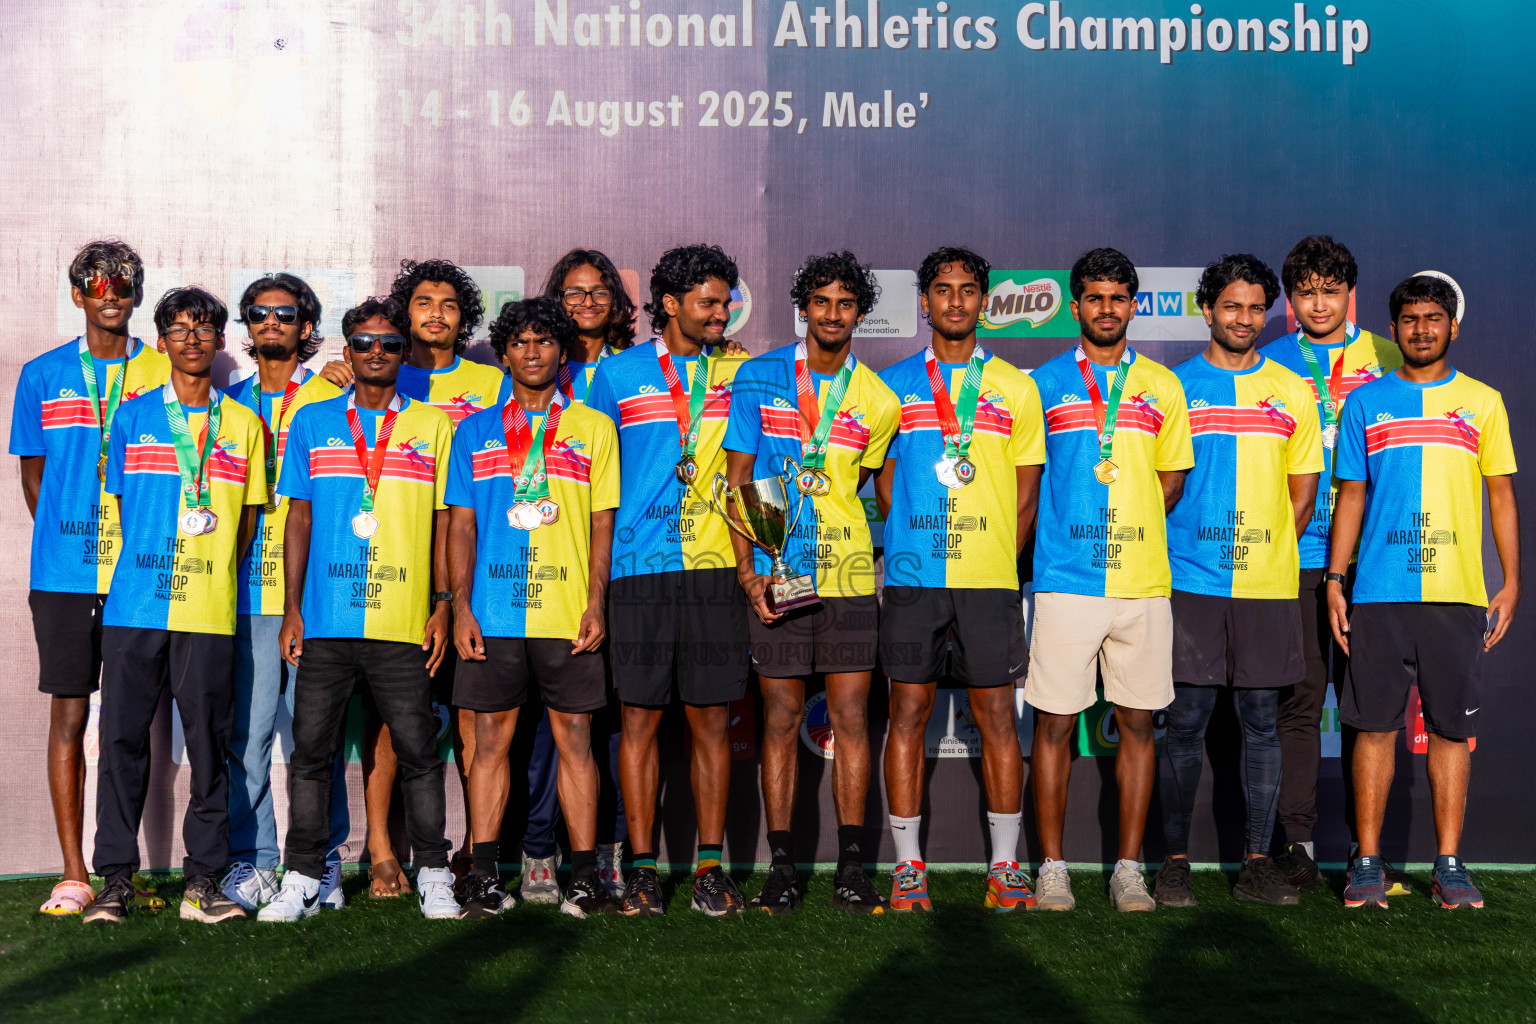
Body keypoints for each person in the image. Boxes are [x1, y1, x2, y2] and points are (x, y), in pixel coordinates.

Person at [259, 297, 460, 922]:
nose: (377, 353)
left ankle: (433, 872)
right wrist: (292, 610)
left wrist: (446, 604)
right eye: (365, 343)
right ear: (346, 352)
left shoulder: (432, 426)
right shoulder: (314, 422)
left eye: (390, 345)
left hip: (403, 621)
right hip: (325, 621)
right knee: (311, 756)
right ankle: (303, 879)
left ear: (405, 355)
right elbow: (299, 517)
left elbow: (446, 522)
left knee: (420, 754)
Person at [1330, 275, 1519, 911]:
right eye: (1409, 319)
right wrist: (1335, 579)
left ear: (1453, 326)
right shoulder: (1364, 402)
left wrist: (1512, 580)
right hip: (1378, 594)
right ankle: (1368, 862)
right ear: (1395, 328)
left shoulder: (1484, 402)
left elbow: (1501, 495)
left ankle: (1449, 863)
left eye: (1433, 318)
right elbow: (1350, 495)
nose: (1421, 329)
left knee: (1448, 732)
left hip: (1457, 594)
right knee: (1374, 730)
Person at [723, 251, 899, 914]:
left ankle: (853, 867)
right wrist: (750, 568)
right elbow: (741, 477)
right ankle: (783, 867)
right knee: (779, 718)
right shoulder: (760, 376)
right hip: (776, 572)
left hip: (849, 574)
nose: (832, 314)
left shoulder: (878, 399)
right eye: (821, 302)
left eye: (845, 304)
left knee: (852, 717)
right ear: (804, 307)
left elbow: (850, 487)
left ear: (859, 313)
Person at [82, 287, 266, 924]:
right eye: (179, 328)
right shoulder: (130, 417)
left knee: (211, 748)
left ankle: (203, 884)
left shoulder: (244, 425)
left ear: (220, 341)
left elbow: (245, 523)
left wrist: (212, 573)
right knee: (123, 743)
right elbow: (124, 506)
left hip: (209, 611)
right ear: (161, 340)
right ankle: (114, 881)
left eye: (205, 328)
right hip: (136, 606)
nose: (192, 338)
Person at [874, 247, 1045, 912]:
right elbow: (884, 482)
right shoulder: (893, 387)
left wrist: (997, 556)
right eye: (941, 290)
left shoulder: (1016, 387)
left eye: (967, 290)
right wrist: (918, 534)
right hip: (916, 578)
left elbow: (1027, 492)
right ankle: (908, 867)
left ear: (985, 300)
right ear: (924, 300)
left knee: (997, 717)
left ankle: (1005, 868)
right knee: (908, 714)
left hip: (988, 579)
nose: (954, 301)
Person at [1025, 247, 1193, 912]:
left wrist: (1132, 522)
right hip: (1065, 580)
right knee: (1055, 727)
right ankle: (1052, 868)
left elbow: (1172, 476)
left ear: (1133, 304)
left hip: (1143, 581)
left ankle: (1128, 869)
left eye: (1118, 298)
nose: (1106, 309)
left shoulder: (1162, 384)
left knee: (1139, 723)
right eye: (1094, 297)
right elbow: (1029, 478)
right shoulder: (1039, 384)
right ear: (1076, 306)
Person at [586, 244, 750, 917]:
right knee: (640, 721)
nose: (722, 313)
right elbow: (592, 480)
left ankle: (711, 866)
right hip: (637, 570)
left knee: (711, 721)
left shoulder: (746, 375)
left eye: (726, 302)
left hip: (714, 570)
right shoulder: (616, 377)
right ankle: (643, 867)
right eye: (709, 302)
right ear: (672, 304)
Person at [1152, 255, 1321, 907]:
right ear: (1207, 311)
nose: (1244, 319)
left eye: (1255, 308)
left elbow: (1302, 495)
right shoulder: (1173, 387)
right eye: (1232, 306)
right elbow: (1162, 487)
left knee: (1261, 722)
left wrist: (1268, 552)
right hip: (1190, 579)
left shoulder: (1292, 389)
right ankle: (1173, 864)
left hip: (1267, 585)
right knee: (1186, 721)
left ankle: (1256, 861)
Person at [447, 297, 621, 919]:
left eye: (545, 342)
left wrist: (597, 599)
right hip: (493, 613)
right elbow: (461, 529)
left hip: (567, 610)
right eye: (519, 342)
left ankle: (584, 879)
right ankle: (486, 876)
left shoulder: (594, 428)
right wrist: (460, 607)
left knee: (577, 741)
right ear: (503, 353)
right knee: (490, 742)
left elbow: (604, 525)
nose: (532, 352)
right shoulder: (472, 430)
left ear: (561, 351)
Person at [11, 240, 170, 917]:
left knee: (134, 724)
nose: (112, 291)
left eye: (125, 282)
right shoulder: (42, 374)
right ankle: (73, 871)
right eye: (97, 282)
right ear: (77, 294)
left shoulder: (166, 371)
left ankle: (119, 873)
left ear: (136, 294)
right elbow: (34, 476)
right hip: (67, 573)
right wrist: (77, 539)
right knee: (71, 715)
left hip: (142, 572)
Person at [354, 259, 506, 897]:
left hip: (473, 581)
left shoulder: (493, 381)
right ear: (402, 313)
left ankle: (476, 846)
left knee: (475, 722)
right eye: (422, 302)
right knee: (392, 723)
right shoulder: (380, 369)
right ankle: (381, 847)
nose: (435, 313)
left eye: (448, 303)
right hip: (395, 582)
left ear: (463, 316)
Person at [1260, 236, 1404, 891]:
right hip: (1292, 561)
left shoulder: (1388, 358)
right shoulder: (1266, 363)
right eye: (1306, 292)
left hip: (1372, 566)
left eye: (1331, 290)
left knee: (1363, 709)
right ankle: (1298, 846)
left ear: (1352, 294)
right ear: (1290, 301)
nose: (1319, 304)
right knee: (1297, 705)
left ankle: (1363, 852)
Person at [505, 250, 640, 904]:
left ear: (617, 300)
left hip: (626, 563)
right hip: (541, 575)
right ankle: (538, 849)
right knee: (540, 734)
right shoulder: (522, 373)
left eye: (598, 291)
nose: (585, 302)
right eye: (572, 292)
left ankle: (604, 852)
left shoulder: (641, 371)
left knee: (608, 729)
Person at [219, 273, 349, 912]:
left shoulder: (331, 399)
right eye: (260, 313)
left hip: (319, 591)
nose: (273, 322)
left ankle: (322, 859)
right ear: (247, 327)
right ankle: (256, 860)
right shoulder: (224, 404)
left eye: (286, 313)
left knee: (314, 737)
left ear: (306, 326)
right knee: (248, 735)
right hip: (244, 591)